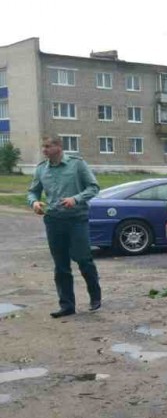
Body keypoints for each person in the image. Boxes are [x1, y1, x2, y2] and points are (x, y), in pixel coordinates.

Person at [27, 136, 102, 318]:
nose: (44, 150)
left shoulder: (77, 164)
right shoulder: (41, 169)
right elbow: (32, 191)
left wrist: (75, 199)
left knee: (83, 259)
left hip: (77, 219)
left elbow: (93, 187)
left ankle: (95, 297)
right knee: (60, 265)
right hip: (53, 220)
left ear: (59, 147)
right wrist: (34, 203)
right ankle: (67, 305)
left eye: (48, 146)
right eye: (43, 146)